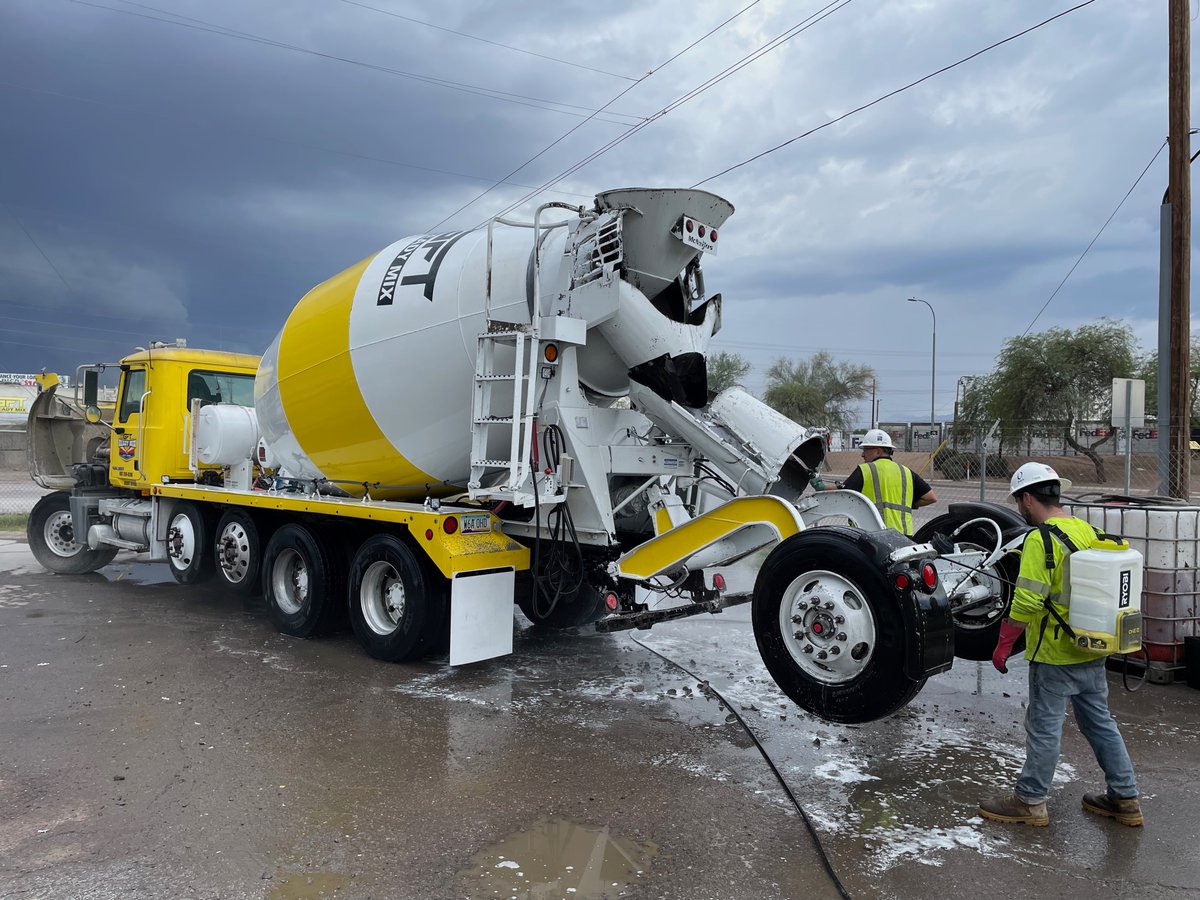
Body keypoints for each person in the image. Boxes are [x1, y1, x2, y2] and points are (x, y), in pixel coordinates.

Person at [978, 462, 1142, 828]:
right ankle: (1125, 798)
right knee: (1100, 724)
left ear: (1026, 498)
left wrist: (1003, 644)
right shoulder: (1090, 532)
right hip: (1092, 645)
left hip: (1053, 654)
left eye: (1019, 501)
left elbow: (1028, 602)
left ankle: (1030, 800)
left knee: (1044, 727)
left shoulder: (1040, 540)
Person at [812, 429, 937, 536]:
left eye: (866, 449)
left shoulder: (865, 470)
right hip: (903, 536)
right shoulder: (906, 472)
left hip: (873, 536)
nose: (862, 454)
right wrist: (909, 504)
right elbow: (931, 497)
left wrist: (822, 487)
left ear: (878, 451)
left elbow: (843, 493)